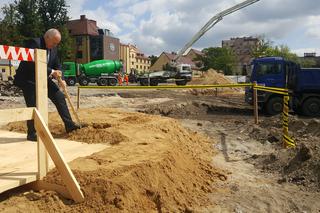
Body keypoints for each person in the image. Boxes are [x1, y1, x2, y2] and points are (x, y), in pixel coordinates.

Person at [14, 28, 80, 141]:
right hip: (29, 79)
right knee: (33, 105)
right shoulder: (35, 43)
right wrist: (51, 72)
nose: (55, 45)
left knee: (59, 97)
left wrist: (62, 78)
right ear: (47, 37)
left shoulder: (53, 48)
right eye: (54, 42)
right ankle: (32, 133)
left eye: (57, 43)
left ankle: (70, 126)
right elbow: (31, 63)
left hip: (43, 78)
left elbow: (58, 65)